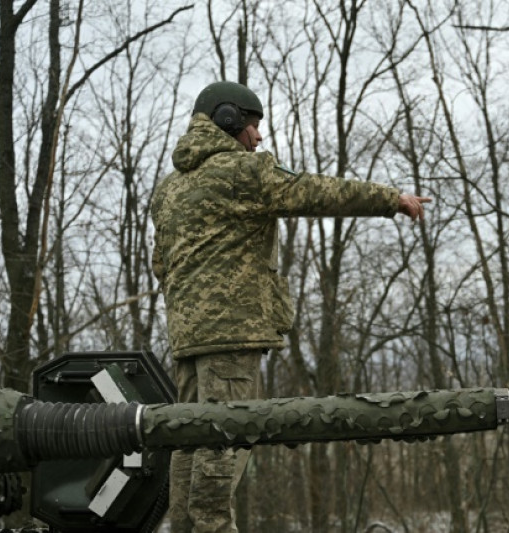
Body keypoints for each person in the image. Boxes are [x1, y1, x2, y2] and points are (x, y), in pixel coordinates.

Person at [150, 81, 430, 533]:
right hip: (232, 335)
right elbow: (315, 191)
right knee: (224, 439)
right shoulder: (242, 173)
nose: (259, 137)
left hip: (186, 340)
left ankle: (185, 527)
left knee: (190, 438)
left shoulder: (168, 190)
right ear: (228, 120)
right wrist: (389, 199)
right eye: (253, 125)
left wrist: (194, 310)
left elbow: (161, 264)